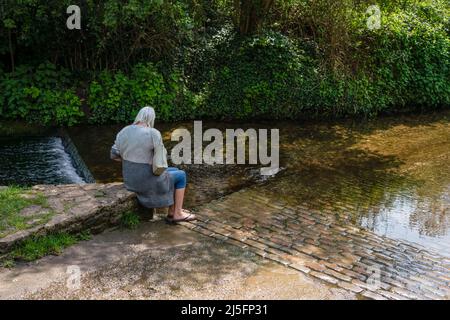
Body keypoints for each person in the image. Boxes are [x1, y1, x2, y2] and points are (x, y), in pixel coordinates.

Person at [110, 106, 196, 223]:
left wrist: (129, 159)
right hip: (145, 181)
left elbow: (113, 155)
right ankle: (177, 213)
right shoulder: (153, 133)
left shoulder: (124, 131)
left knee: (173, 169)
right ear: (152, 119)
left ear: (138, 116)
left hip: (130, 180)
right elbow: (161, 162)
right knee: (181, 175)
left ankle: (172, 210)